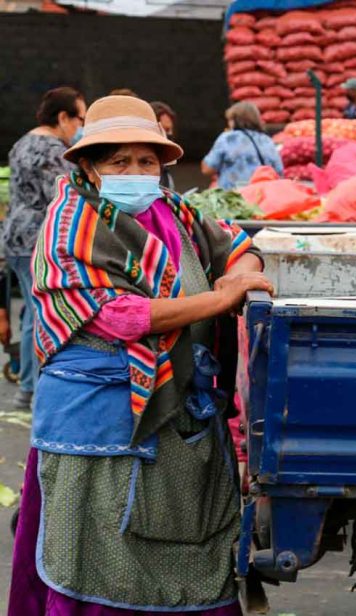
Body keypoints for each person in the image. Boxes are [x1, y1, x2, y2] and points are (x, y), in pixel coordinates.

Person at [8, 95, 273, 615]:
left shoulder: (173, 212)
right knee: (96, 554)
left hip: (177, 420)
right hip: (99, 426)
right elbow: (118, 315)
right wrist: (219, 298)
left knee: (183, 545)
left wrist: (243, 273)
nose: (136, 172)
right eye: (118, 161)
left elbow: (237, 244)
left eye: (147, 161)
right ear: (88, 165)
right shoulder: (69, 227)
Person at [2, 86, 86, 410]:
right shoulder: (52, 149)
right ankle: (36, 389)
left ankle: (27, 387)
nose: (82, 127)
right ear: (62, 116)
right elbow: (64, 197)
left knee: (30, 316)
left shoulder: (22, 142)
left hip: (15, 237)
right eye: (80, 118)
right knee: (41, 315)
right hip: (37, 238)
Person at [201, 101, 283, 189]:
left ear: (235, 120)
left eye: (230, 120)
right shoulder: (267, 140)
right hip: (261, 196)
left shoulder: (228, 138)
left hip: (235, 197)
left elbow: (207, 169)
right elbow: (279, 172)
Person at [151, 100, 177, 190]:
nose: (169, 135)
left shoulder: (164, 170)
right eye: (165, 130)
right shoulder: (146, 174)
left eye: (170, 130)